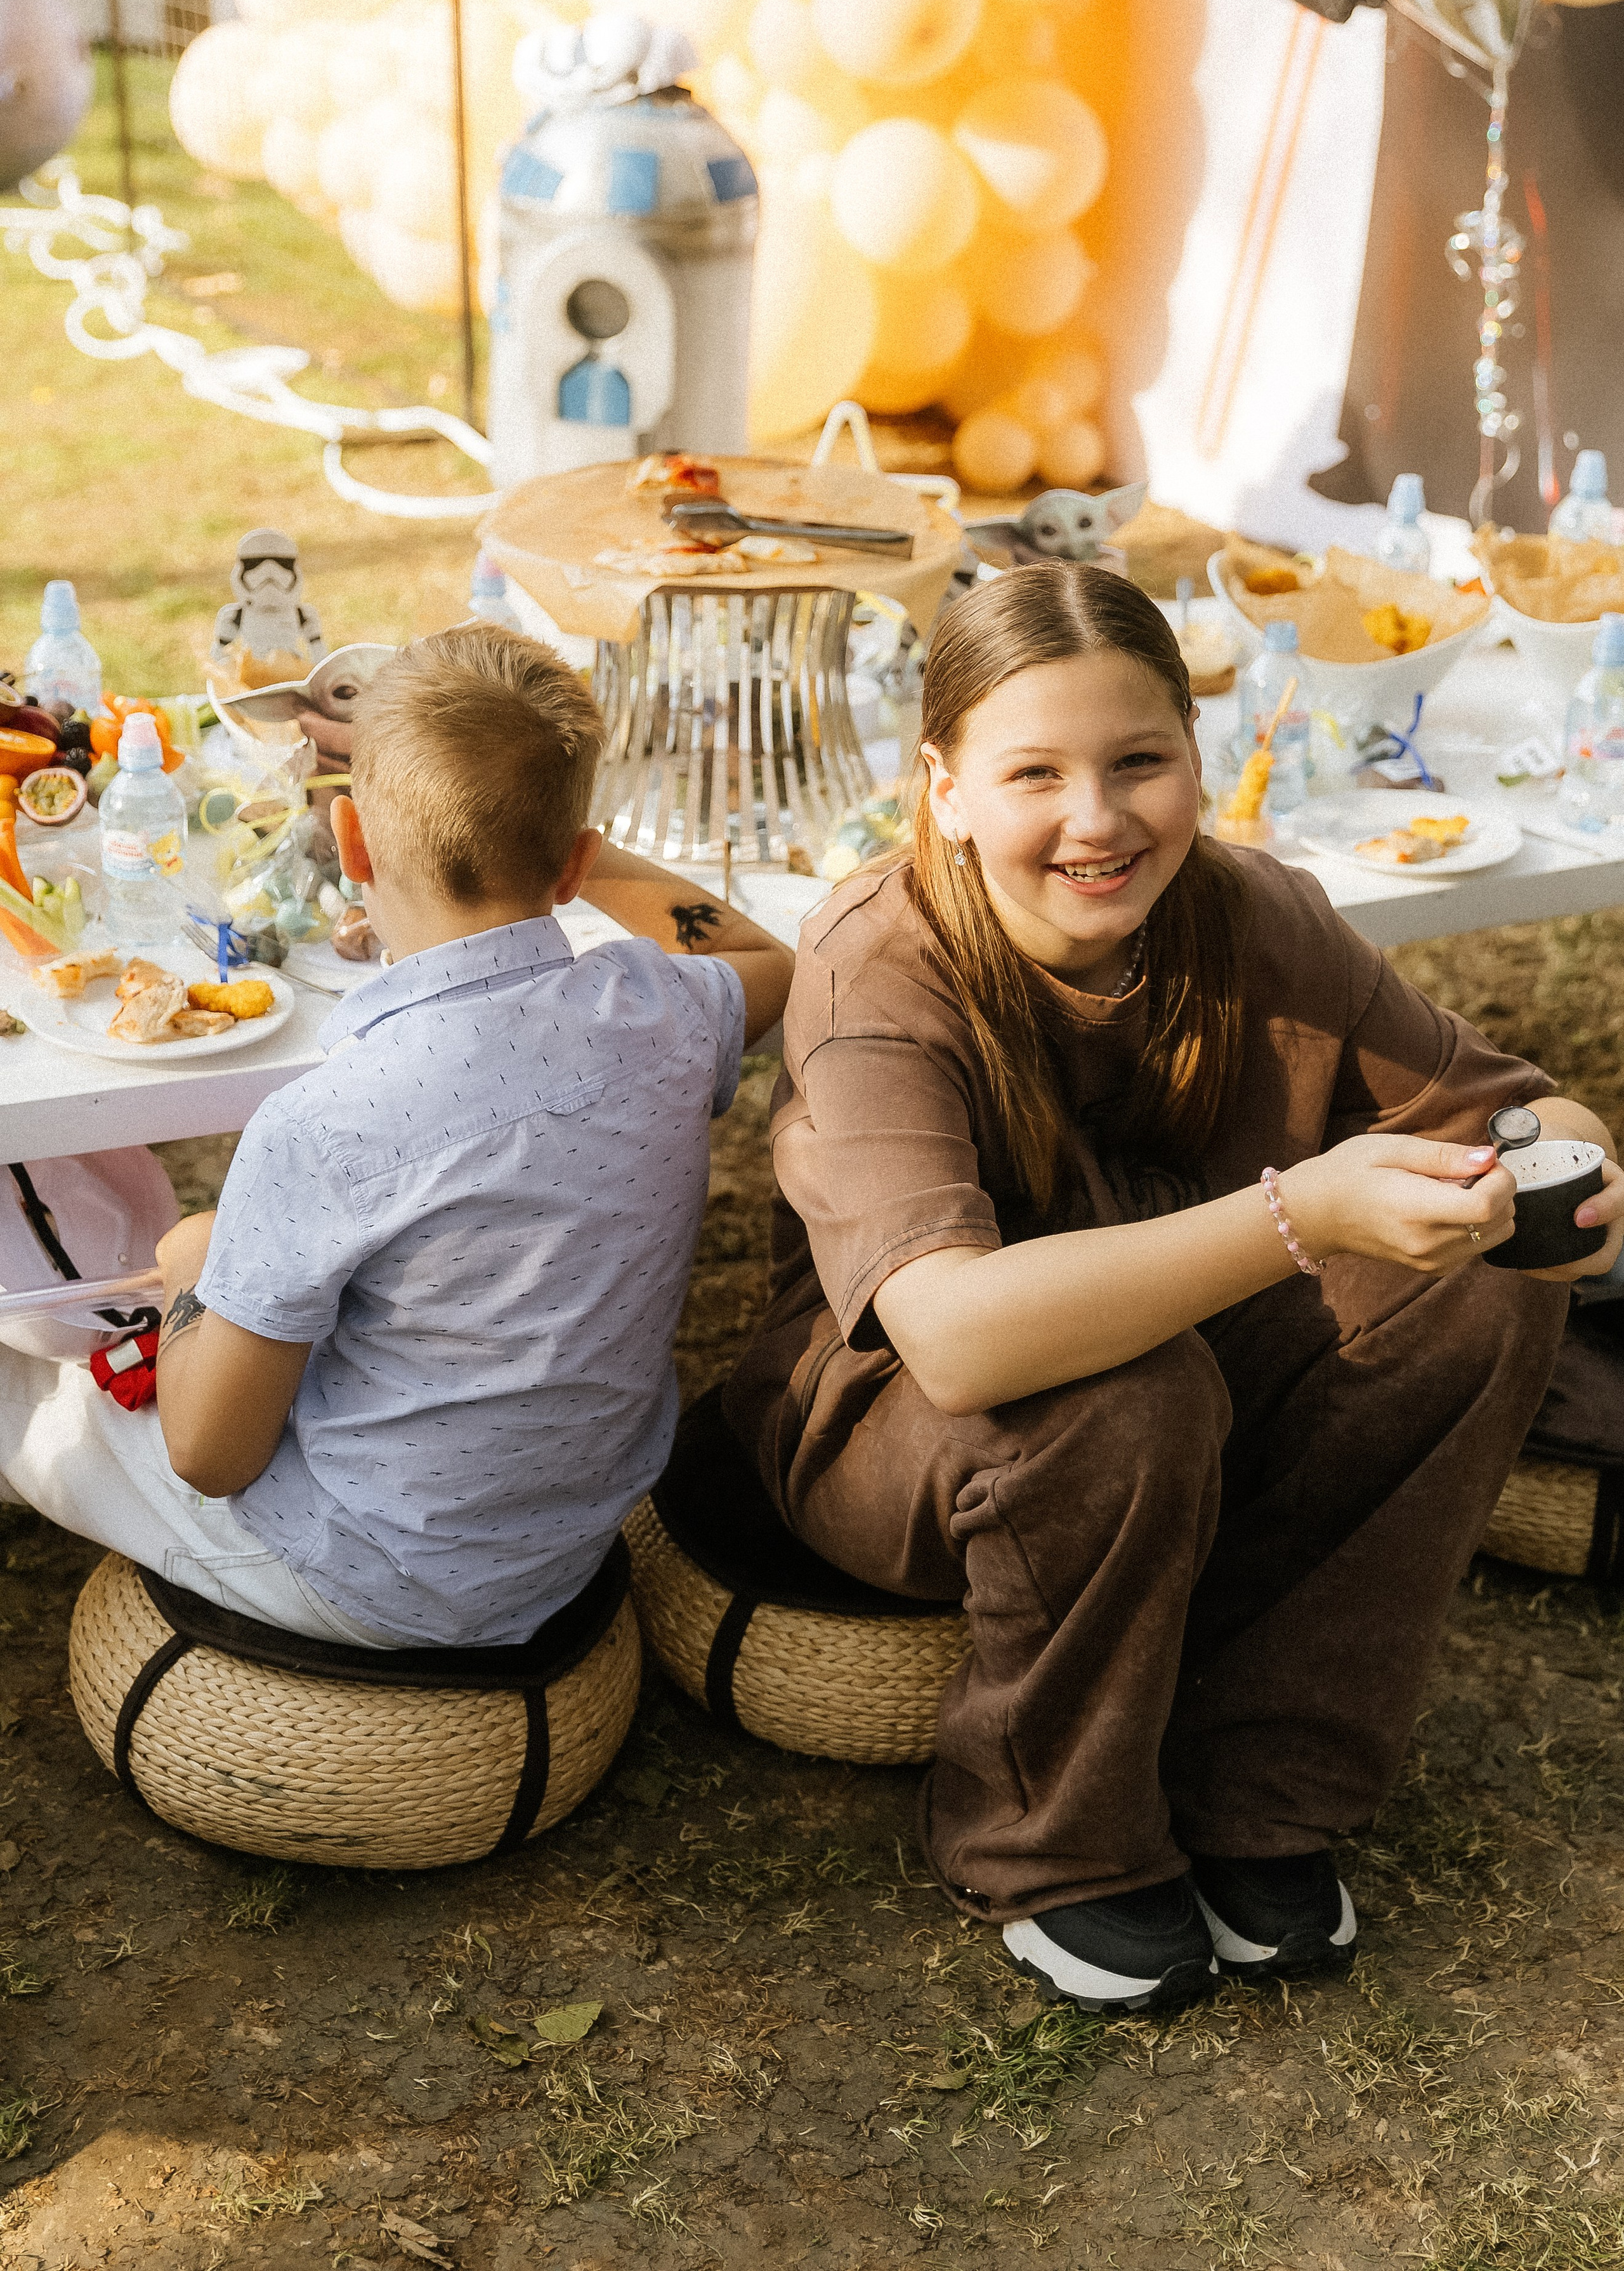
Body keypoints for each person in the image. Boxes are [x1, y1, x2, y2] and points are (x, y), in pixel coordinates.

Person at [721, 563, 1624, 2011]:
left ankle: (1260, 1781)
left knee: (1481, 1291)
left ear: (1196, 755)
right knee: (1125, 1396)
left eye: (1137, 762)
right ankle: (1050, 1841)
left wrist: (1556, 1186)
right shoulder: (873, 961)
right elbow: (954, 1340)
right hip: (892, 1427)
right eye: (1035, 774)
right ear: (945, 787)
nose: (1096, 819)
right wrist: (1296, 1214)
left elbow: (1523, 1110)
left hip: (1196, 1372)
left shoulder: (1250, 909)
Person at [0, 625, 794, 1648]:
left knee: (26, 1377)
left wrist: (198, 1269)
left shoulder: (321, 1125)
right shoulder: (660, 1008)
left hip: (369, 1577)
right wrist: (558, 842)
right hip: (568, 1533)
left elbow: (210, 1456)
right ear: (577, 862)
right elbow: (761, 954)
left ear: (351, 841)